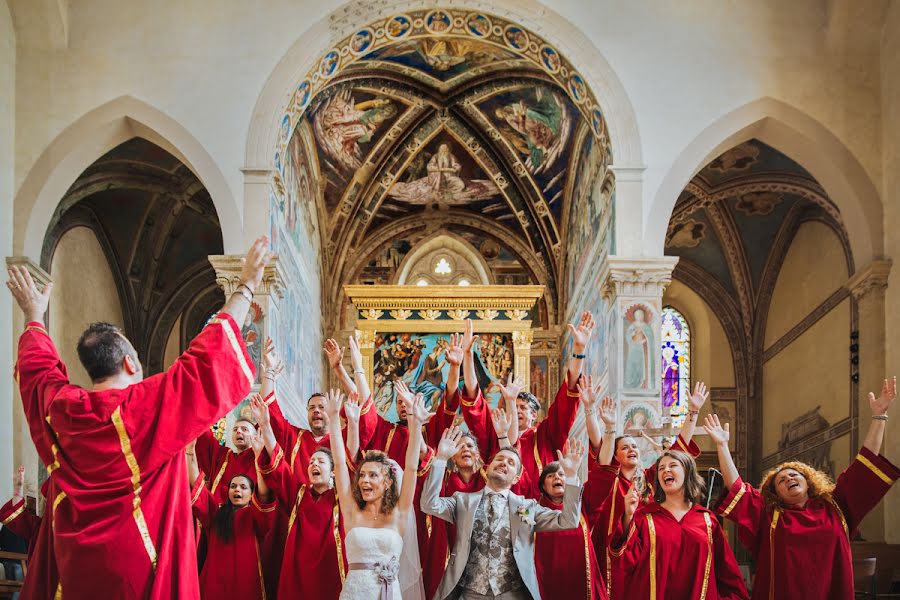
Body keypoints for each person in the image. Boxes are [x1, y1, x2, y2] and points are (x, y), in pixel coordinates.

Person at [7, 236, 271, 598]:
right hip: (139, 574)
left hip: (75, 570)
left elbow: (38, 374)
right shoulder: (146, 405)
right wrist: (247, 285)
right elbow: (207, 357)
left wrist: (34, 316)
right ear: (130, 362)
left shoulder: (62, 407)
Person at [705, 377, 899, 600]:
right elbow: (736, 487)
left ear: (809, 482)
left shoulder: (835, 506)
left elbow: (865, 464)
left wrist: (880, 416)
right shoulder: (769, 516)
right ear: (775, 494)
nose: (788, 478)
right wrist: (721, 445)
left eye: (793, 474)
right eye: (780, 480)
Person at [422, 430, 585, 600]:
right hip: (469, 594)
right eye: (499, 459)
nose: (503, 463)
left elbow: (568, 521)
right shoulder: (463, 501)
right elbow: (429, 504)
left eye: (511, 462)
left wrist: (572, 477)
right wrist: (440, 459)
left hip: (513, 594)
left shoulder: (527, 507)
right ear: (488, 467)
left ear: (516, 478)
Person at [458, 312, 594, 498]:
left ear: (534, 416)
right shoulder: (494, 435)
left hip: (541, 512)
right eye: (513, 406)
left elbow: (567, 401)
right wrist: (467, 357)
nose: (517, 410)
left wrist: (578, 350)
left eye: (523, 407)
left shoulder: (546, 436)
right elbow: (474, 404)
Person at [592, 383, 708, 598]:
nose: (632, 449)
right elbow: (603, 459)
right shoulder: (608, 480)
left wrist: (693, 413)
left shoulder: (650, 478)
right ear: (616, 456)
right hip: (611, 553)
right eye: (625, 447)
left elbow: (679, 449)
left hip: (645, 555)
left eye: (634, 446)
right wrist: (607, 426)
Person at [326, 388, 428, 600]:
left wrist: (415, 423)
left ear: (388, 482)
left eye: (373, 475)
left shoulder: (399, 514)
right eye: (362, 475)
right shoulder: (351, 512)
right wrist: (334, 419)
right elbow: (338, 463)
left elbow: (410, 467)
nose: (364, 480)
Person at [609, 450, 748, 600]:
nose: (666, 470)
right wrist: (628, 516)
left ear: (687, 473)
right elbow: (623, 561)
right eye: (661, 468)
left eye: (672, 465)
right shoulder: (644, 518)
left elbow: (727, 572)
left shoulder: (707, 520)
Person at [252, 393, 349, 600]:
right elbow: (278, 463)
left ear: (333, 471)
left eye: (321, 461)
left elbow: (345, 459)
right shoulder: (298, 493)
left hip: (331, 577)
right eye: (312, 461)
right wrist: (265, 424)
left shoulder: (344, 499)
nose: (314, 464)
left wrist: (336, 420)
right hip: (296, 579)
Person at [186, 427, 275, 600]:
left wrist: (259, 458)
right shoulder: (215, 513)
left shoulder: (256, 516)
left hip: (246, 587)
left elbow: (264, 494)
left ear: (251, 493)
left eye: (243, 487)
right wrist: (190, 451)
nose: (237, 490)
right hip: (213, 585)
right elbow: (195, 480)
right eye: (233, 486)